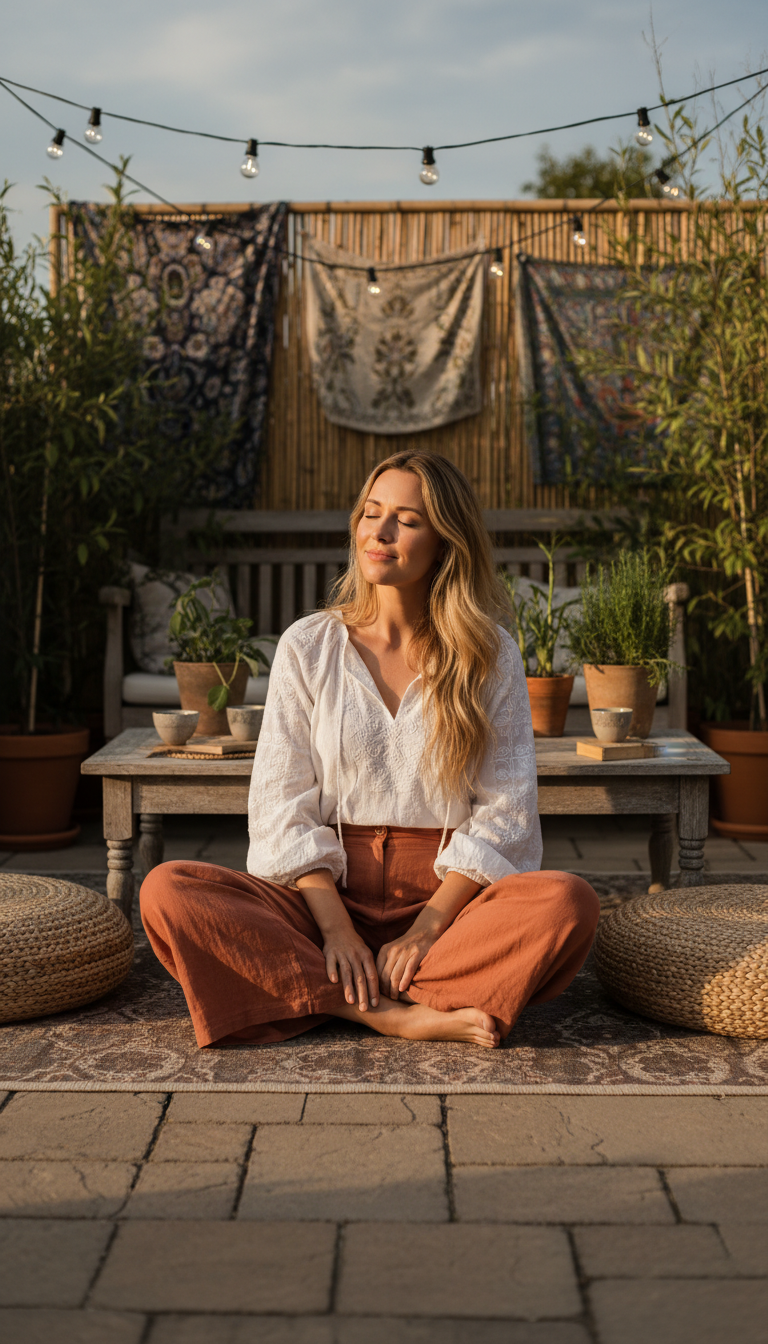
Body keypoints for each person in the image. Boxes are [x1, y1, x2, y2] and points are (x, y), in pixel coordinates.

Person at [141, 450, 599, 1050]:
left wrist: (428, 929)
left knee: (568, 902)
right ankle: (393, 1013)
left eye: (405, 521)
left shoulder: (489, 652)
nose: (378, 533)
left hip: (449, 902)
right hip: (319, 898)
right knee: (167, 891)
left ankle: (321, 993)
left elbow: (505, 813)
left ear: (445, 541)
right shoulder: (307, 645)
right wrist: (336, 932)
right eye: (371, 512)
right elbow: (281, 805)